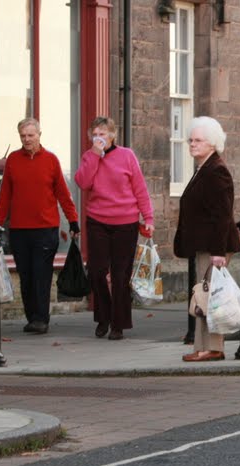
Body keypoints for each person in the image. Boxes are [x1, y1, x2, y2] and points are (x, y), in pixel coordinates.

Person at [0, 117, 79, 334]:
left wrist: (73, 220)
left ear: (39, 135)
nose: (27, 139)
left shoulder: (51, 160)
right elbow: (4, 196)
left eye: (31, 135)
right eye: (23, 136)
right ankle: (32, 317)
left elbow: (63, 193)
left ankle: (41, 319)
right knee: (26, 275)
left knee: (41, 274)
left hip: (45, 228)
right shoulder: (13, 160)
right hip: (20, 230)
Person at [74, 116, 155, 341]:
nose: (99, 137)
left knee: (120, 275)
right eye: (95, 134)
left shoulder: (127, 156)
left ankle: (118, 324)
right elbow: (83, 183)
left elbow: (140, 188)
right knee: (97, 271)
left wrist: (148, 217)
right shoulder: (89, 156)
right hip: (98, 220)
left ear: (112, 135)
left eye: (103, 133)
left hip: (125, 222)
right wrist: (94, 156)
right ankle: (103, 317)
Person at [173, 116, 240, 362]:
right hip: (205, 246)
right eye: (191, 140)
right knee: (204, 295)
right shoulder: (204, 168)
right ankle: (201, 347)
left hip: (214, 246)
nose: (192, 144)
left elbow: (222, 215)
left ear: (212, 144)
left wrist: (218, 252)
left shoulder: (216, 171)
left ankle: (213, 348)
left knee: (210, 297)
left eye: (198, 140)